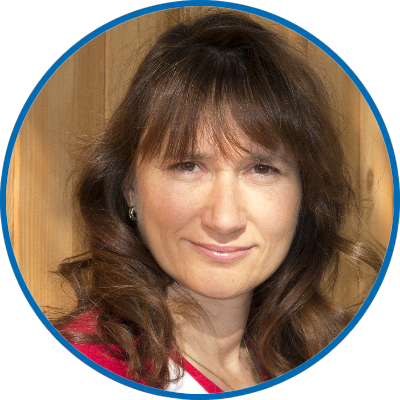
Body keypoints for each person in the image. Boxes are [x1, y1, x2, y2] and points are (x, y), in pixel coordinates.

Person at [50, 10, 384, 393]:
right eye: (188, 166)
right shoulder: (98, 362)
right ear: (129, 187)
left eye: (261, 168)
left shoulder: (304, 352)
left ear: (304, 195)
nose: (224, 219)